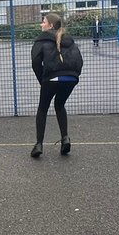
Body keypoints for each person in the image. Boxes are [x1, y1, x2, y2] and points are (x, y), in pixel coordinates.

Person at [30, 11, 83, 157]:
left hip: (52, 78)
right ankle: (65, 139)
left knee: (43, 108)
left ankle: (39, 145)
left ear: (50, 25)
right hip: (71, 78)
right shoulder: (70, 40)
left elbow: (35, 63)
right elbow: (79, 61)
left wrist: (43, 80)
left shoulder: (41, 41)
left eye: (43, 21)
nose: (41, 24)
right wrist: (74, 75)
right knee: (59, 105)